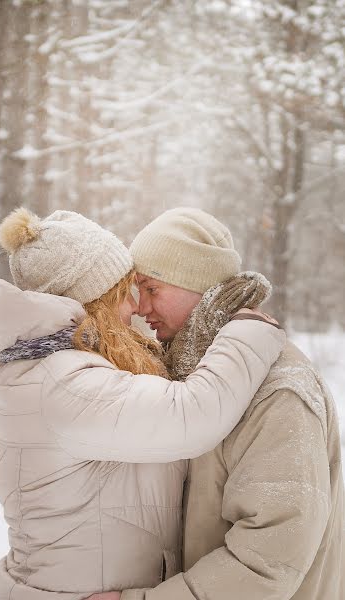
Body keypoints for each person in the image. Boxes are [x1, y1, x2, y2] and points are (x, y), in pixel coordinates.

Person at [0, 208, 284, 600]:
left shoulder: (54, 368)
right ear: (94, 302)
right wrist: (247, 331)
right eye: (125, 294)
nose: (134, 308)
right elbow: (192, 414)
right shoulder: (65, 383)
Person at [89, 207, 344, 600]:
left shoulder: (277, 393)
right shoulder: (194, 379)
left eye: (153, 289)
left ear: (200, 287)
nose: (140, 307)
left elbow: (268, 559)